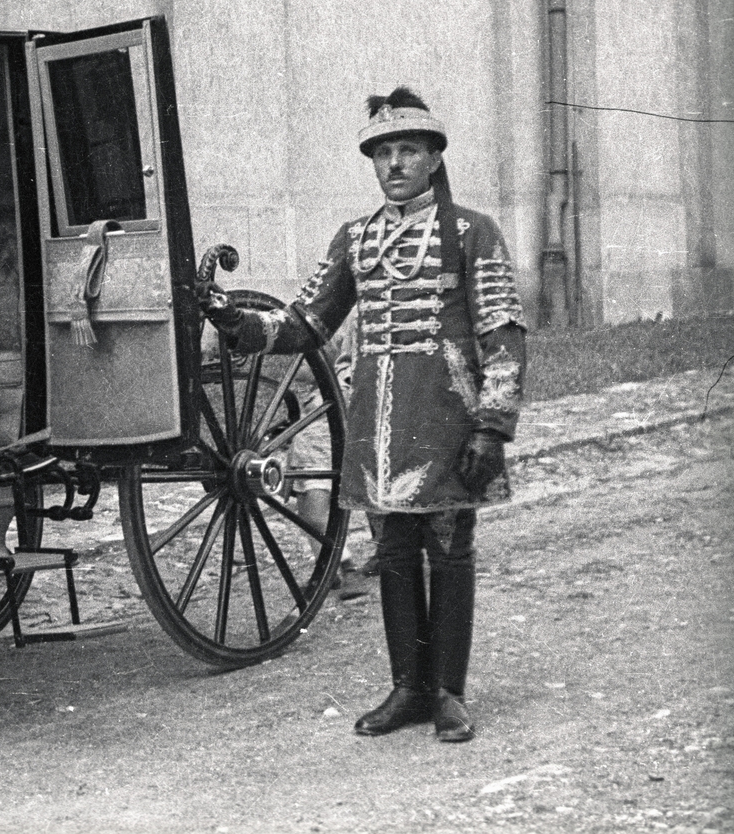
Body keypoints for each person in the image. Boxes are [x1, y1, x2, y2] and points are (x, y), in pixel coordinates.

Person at [204, 87, 526, 742]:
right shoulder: (355, 239)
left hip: (447, 417)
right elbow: (305, 323)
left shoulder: (472, 232)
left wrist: (493, 425)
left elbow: (504, 334)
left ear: (434, 159)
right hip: (376, 420)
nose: (395, 164)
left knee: (449, 550)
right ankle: (408, 688)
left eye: (408, 150)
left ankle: (450, 694)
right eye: (383, 153)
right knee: (395, 552)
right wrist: (236, 323)